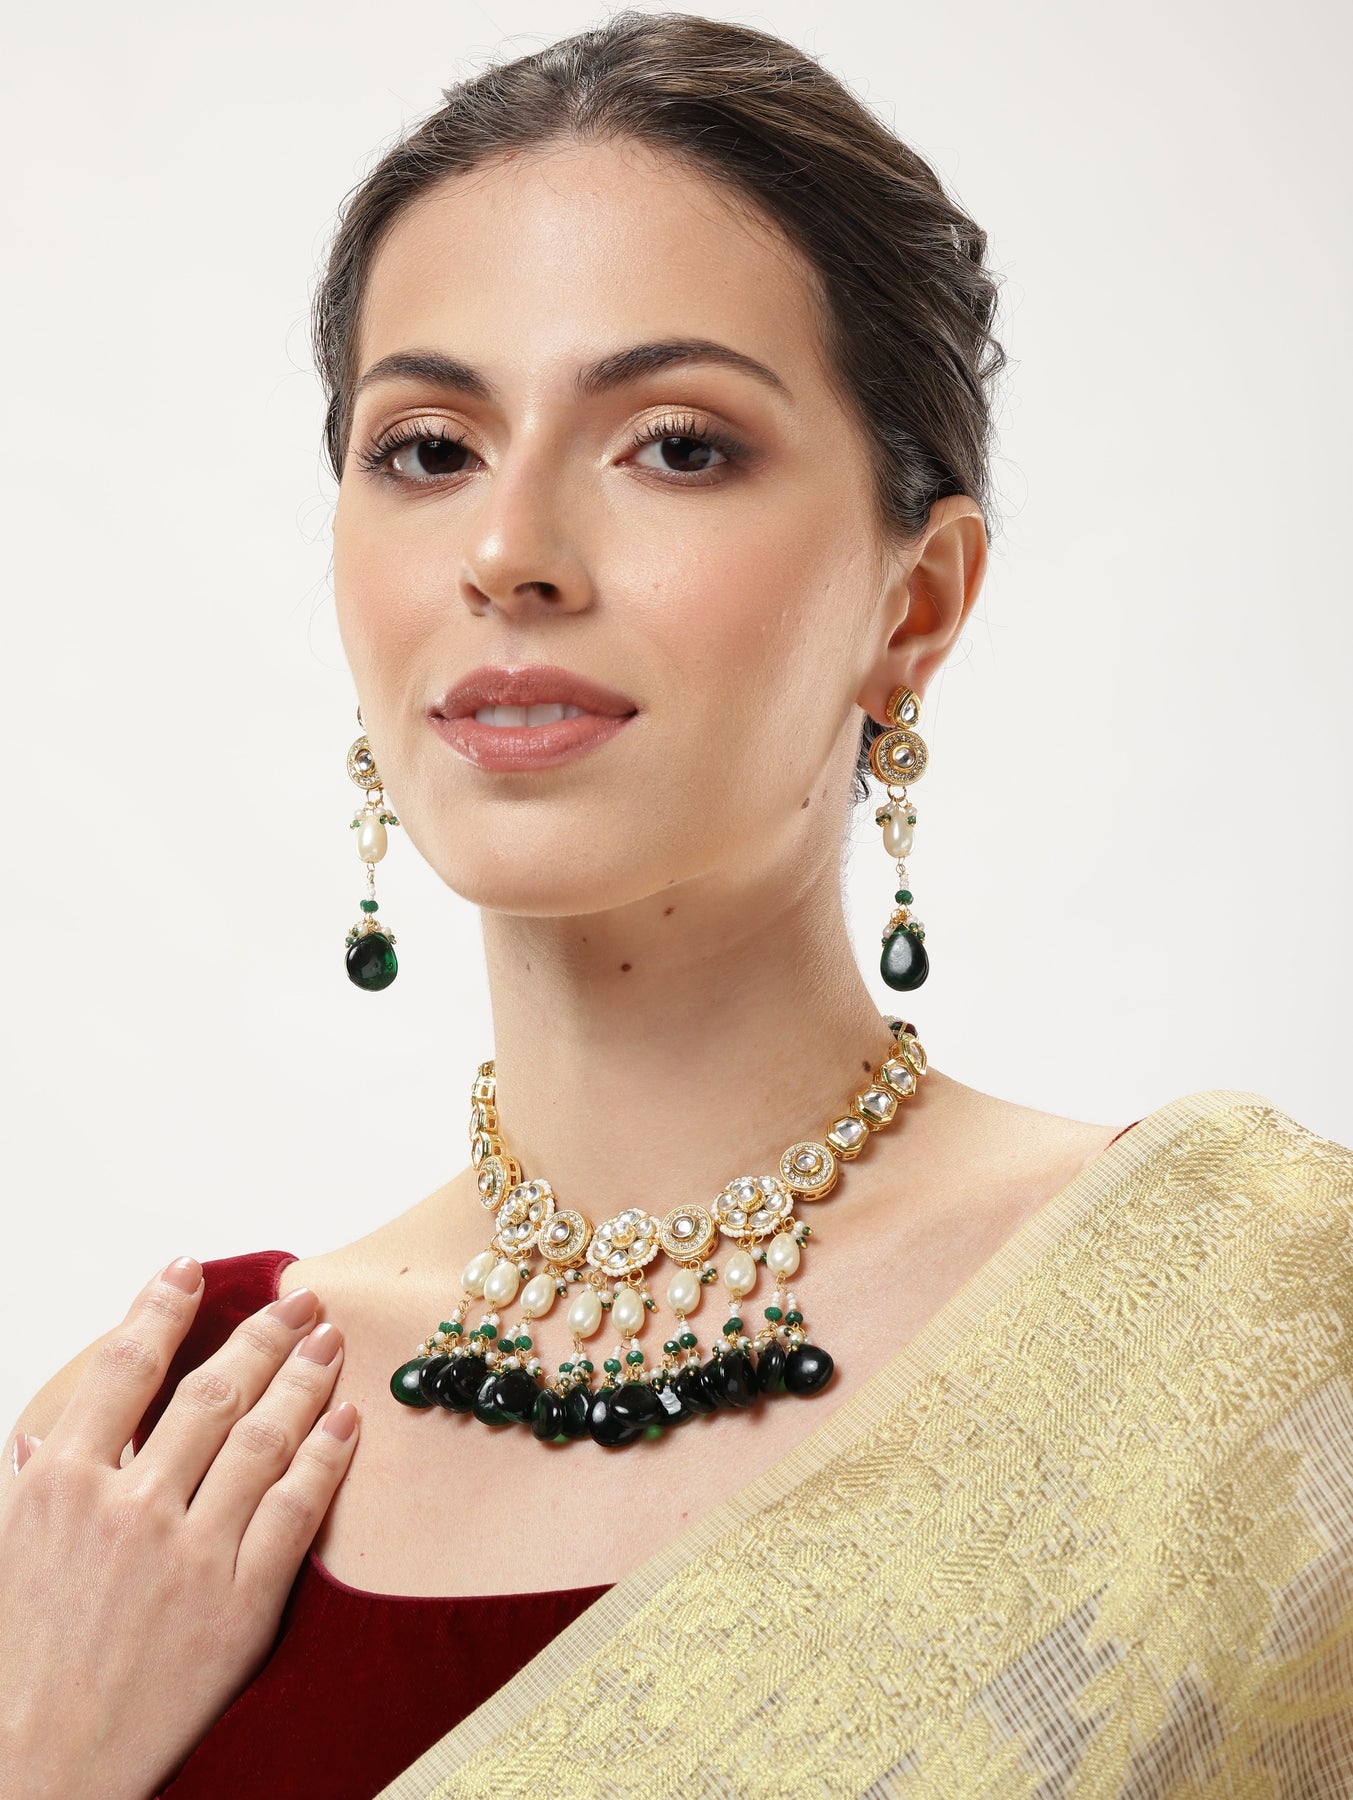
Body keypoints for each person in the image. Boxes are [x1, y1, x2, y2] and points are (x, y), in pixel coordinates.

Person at [5, 12, 1352, 1798]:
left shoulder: (1247, 1335)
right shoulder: (172, 1442)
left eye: (676, 445)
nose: (509, 552)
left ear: (916, 605)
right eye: (427, 448)